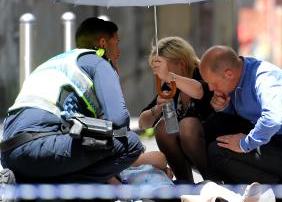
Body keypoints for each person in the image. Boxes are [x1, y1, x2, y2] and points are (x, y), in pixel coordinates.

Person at [0, 17, 143, 183]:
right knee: (131, 143)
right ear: (103, 43)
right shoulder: (98, 63)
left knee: (96, 138)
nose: (119, 51)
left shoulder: (60, 62)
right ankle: (52, 188)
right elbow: (119, 121)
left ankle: (20, 182)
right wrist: (113, 74)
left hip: (8, 152)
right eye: (116, 42)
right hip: (39, 146)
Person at [199, 45, 282, 202]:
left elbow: (272, 120)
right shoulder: (237, 78)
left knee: (217, 151)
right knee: (210, 128)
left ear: (228, 74)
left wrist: (243, 144)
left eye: (212, 83)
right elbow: (241, 116)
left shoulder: (265, 78)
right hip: (272, 140)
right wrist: (224, 107)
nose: (211, 88)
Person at [139, 36, 214, 183]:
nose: (161, 76)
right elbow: (143, 123)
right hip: (189, 153)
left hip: (214, 148)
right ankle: (185, 184)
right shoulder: (169, 85)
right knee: (162, 127)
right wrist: (156, 109)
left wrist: (169, 76)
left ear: (182, 64)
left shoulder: (203, 74)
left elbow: (199, 91)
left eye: (164, 70)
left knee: (187, 125)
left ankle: (214, 182)